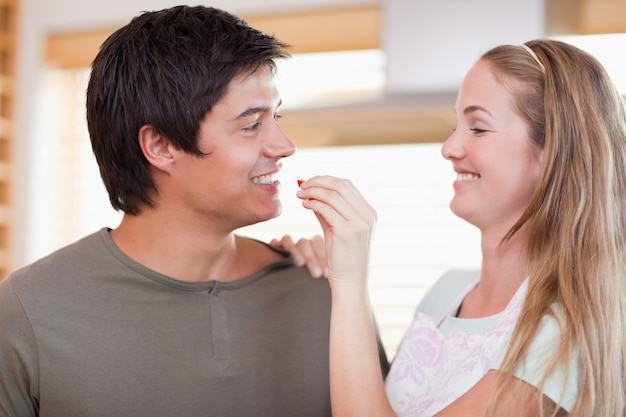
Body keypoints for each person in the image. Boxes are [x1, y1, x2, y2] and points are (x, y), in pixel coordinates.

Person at [0, 5, 389, 417]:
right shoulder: (27, 311)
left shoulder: (325, 291)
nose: (284, 145)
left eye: (275, 116)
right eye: (251, 124)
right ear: (161, 146)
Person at [279, 39, 626, 416]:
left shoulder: (562, 330)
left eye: (478, 128)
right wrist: (330, 271)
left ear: (552, 152)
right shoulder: (445, 296)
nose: (449, 147)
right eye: (457, 124)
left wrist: (349, 282)